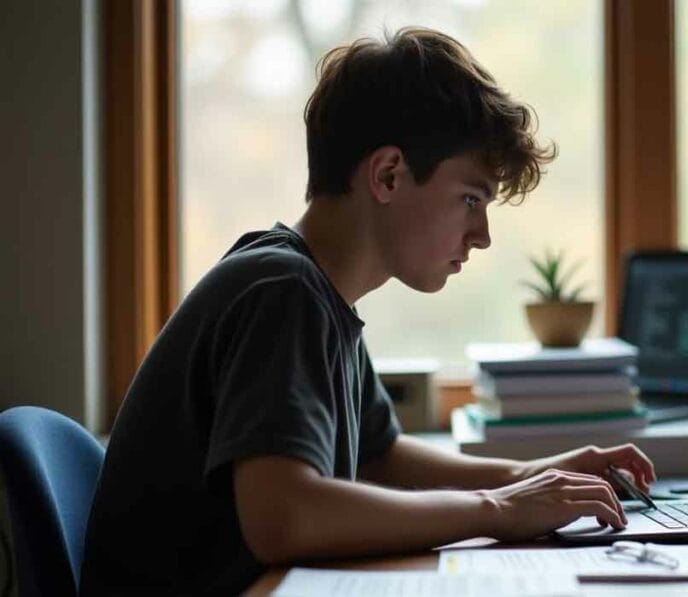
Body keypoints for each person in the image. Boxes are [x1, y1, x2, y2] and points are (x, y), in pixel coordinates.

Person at [80, 27, 655, 595]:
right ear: (388, 175)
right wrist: (496, 508)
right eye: (471, 199)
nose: (481, 236)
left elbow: (381, 457)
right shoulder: (282, 293)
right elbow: (285, 517)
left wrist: (536, 477)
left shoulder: (315, 292)